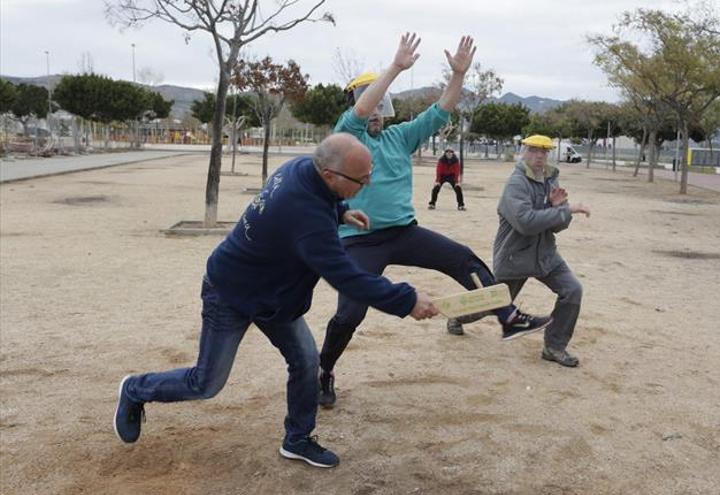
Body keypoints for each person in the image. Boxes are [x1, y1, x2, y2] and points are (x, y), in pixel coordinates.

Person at [113, 133, 439, 469]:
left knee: (306, 361)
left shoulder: (303, 167)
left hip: (276, 297)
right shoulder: (307, 217)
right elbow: (347, 277)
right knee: (206, 383)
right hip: (231, 292)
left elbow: (319, 205)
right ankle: (136, 389)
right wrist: (407, 300)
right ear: (330, 174)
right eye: (362, 179)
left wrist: (341, 211)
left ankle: (297, 439)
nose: (367, 185)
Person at [319, 33, 551, 409]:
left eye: (384, 104)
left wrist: (457, 75)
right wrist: (395, 67)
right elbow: (361, 111)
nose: (378, 109)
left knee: (463, 259)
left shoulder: (400, 137)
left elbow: (441, 110)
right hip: (357, 240)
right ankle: (323, 370)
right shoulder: (347, 136)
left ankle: (508, 318)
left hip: (403, 232)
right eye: (373, 100)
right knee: (351, 311)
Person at [447, 135, 590, 367]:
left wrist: (559, 210)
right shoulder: (516, 183)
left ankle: (554, 347)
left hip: (545, 254)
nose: (540, 156)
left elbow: (557, 226)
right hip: (515, 256)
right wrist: (566, 210)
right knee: (494, 303)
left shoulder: (551, 180)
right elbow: (526, 222)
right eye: (534, 151)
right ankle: (457, 317)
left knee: (572, 290)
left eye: (544, 151)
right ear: (524, 152)